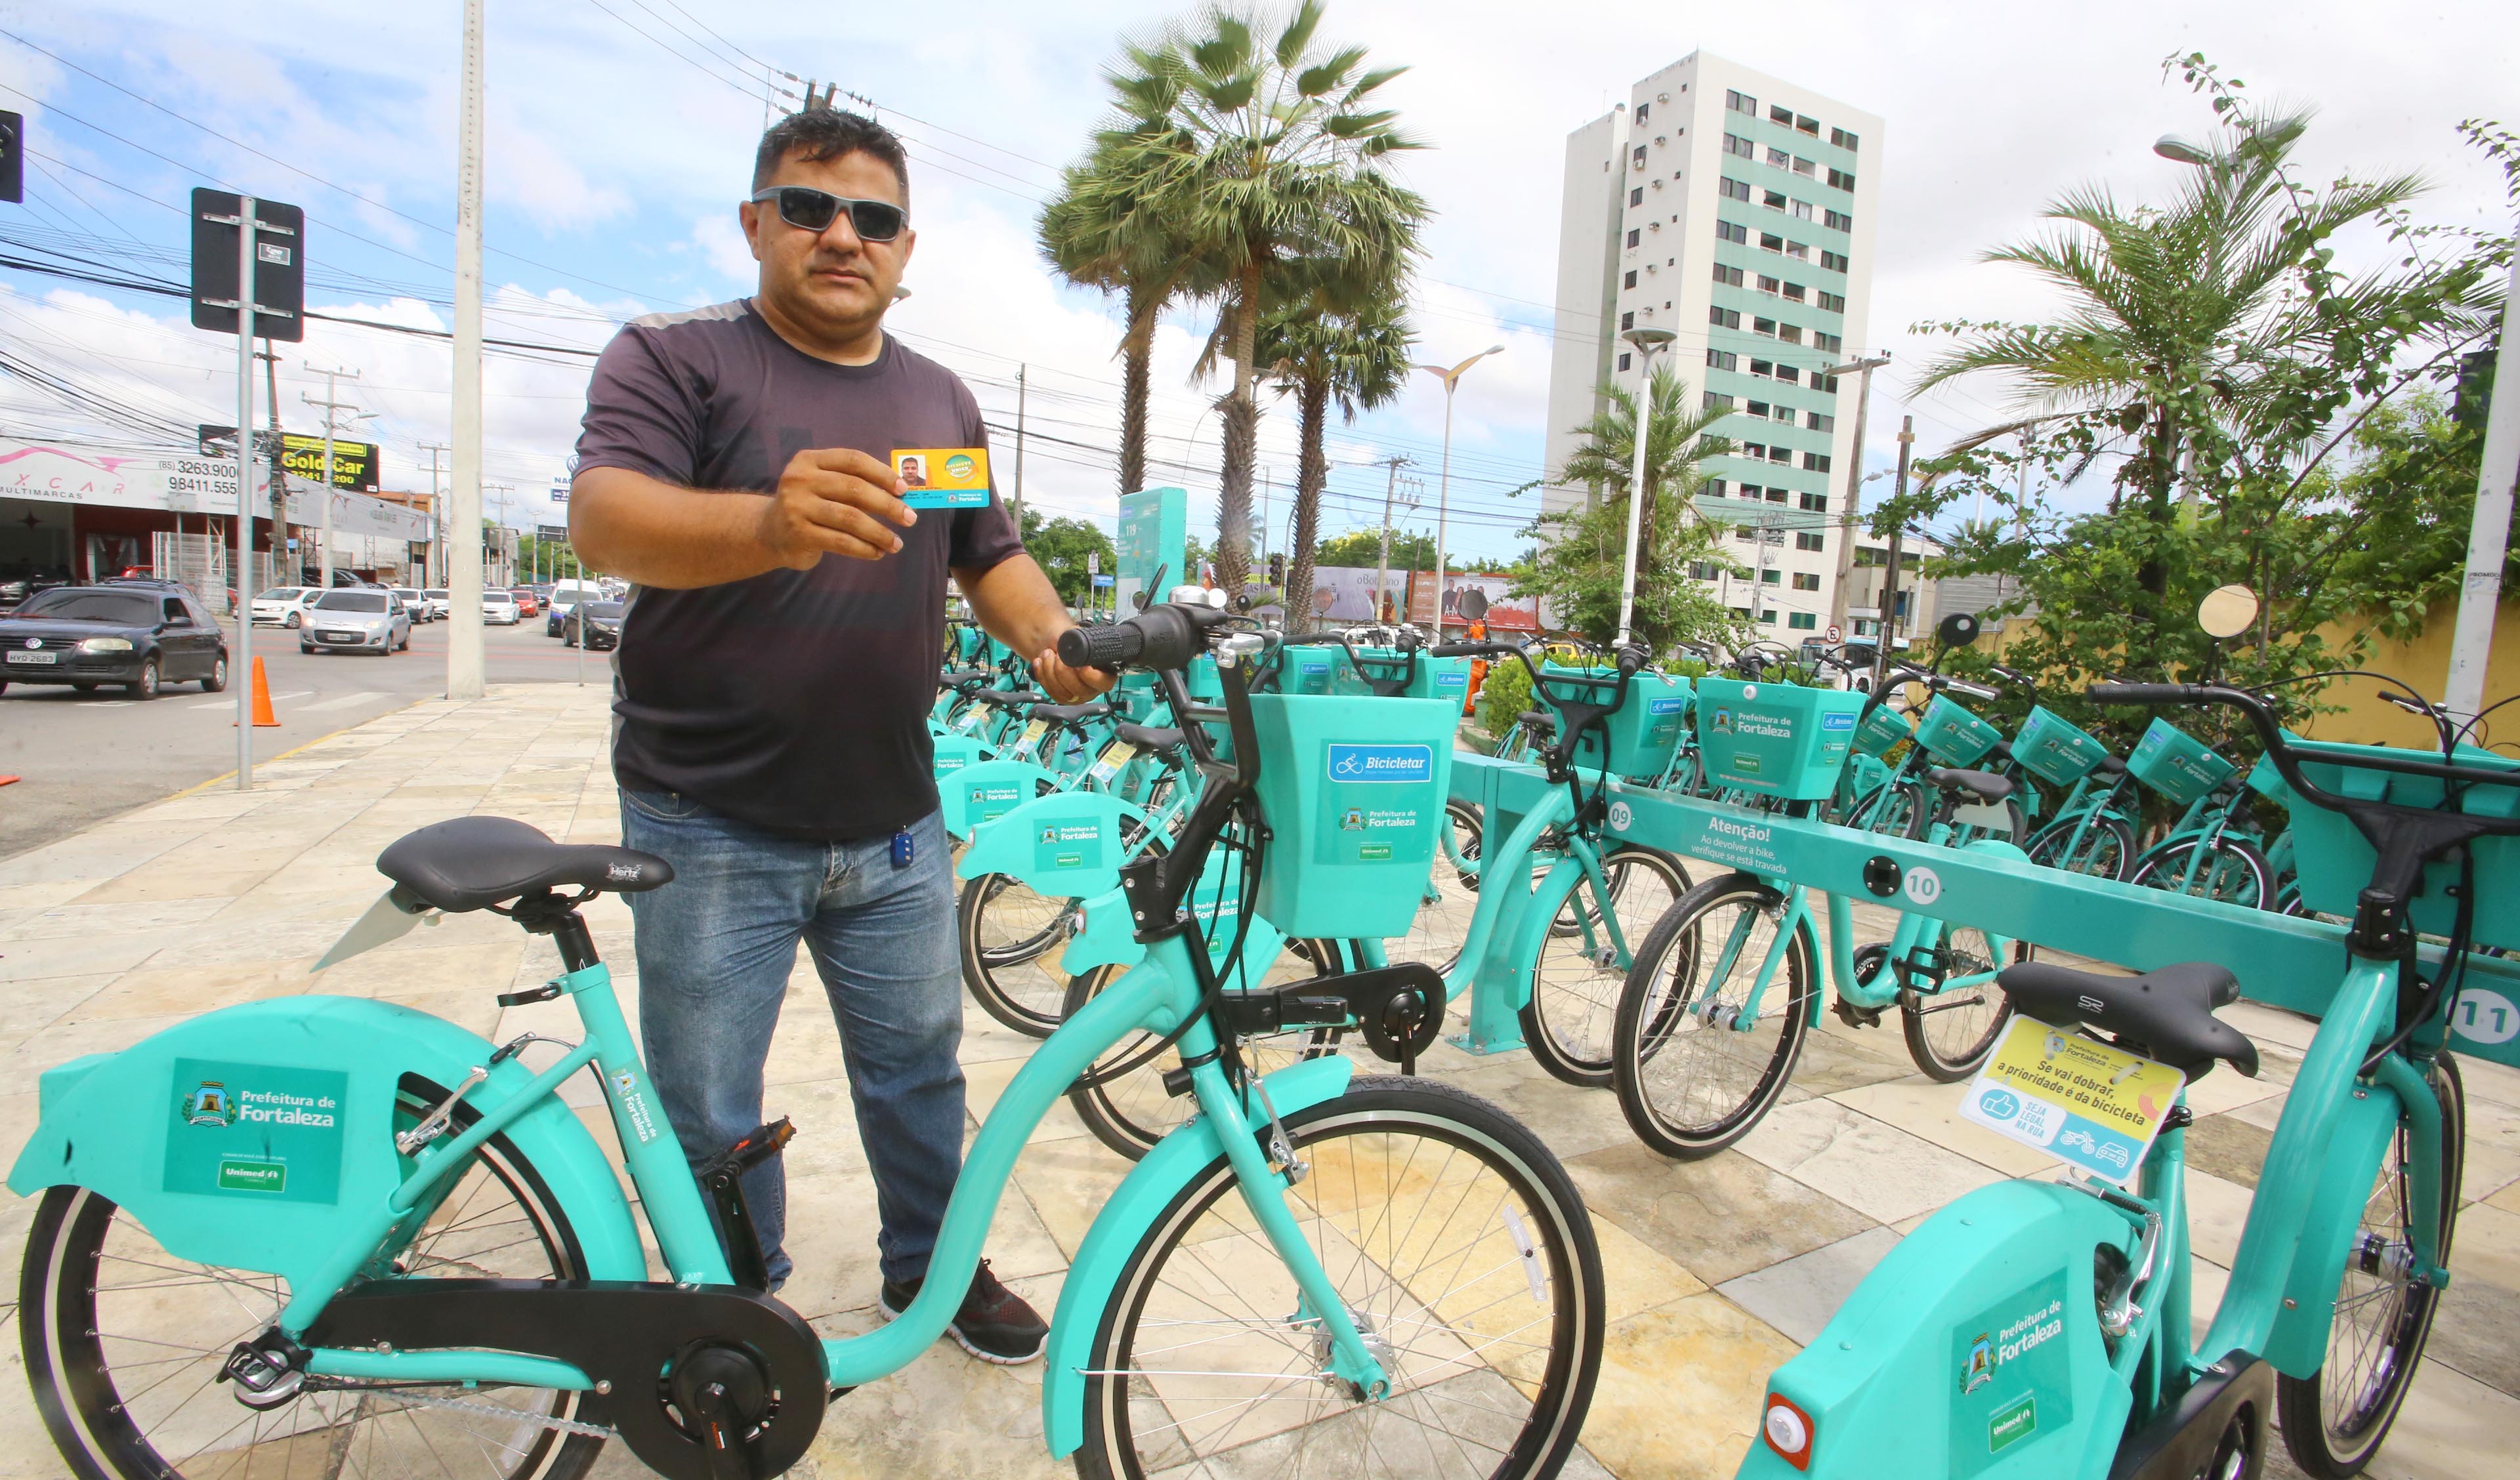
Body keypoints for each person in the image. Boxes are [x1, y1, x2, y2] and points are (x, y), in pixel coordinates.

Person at [569, 107, 1110, 1365]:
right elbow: (604, 516)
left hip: (894, 822)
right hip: (709, 819)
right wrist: (768, 522)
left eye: (873, 217)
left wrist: (1055, 639)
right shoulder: (675, 357)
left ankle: (934, 1268)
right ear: (755, 222)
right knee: (711, 1098)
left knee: (921, 1069)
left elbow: (991, 556)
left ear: (905, 247)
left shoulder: (939, 399)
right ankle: (737, 1309)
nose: (841, 236)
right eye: (809, 207)